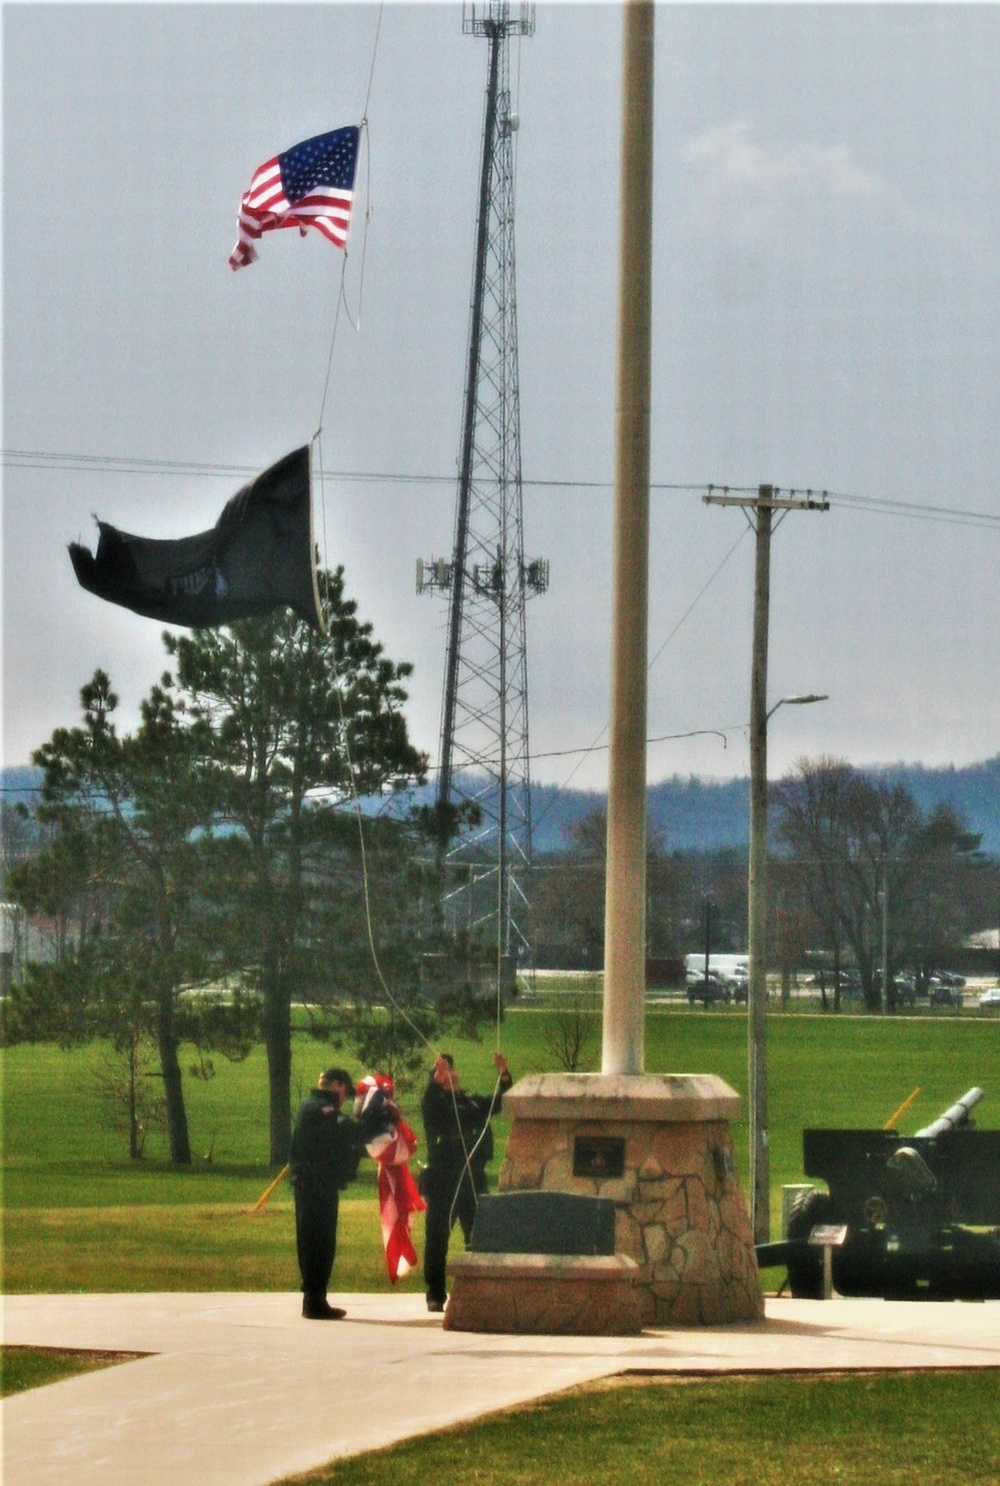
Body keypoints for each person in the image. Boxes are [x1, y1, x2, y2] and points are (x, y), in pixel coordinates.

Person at [419, 1049, 513, 1312]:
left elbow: (499, 1102)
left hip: (472, 1174)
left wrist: (503, 1075)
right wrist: (435, 1083)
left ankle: (478, 1289)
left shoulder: (470, 1102)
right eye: (441, 1071)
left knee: (478, 1234)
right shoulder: (434, 1104)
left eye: (450, 1068)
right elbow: (429, 1102)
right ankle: (435, 1293)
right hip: (444, 1177)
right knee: (438, 1237)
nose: (449, 1073)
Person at [288, 1067, 365, 1320]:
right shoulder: (319, 1108)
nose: (345, 1098)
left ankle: (316, 1298)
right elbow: (345, 1132)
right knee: (316, 1243)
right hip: (314, 1186)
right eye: (346, 1092)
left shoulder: (315, 1107)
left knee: (323, 1243)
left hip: (320, 1184)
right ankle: (313, 1300)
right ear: (337, 1086)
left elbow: (341, 1143)